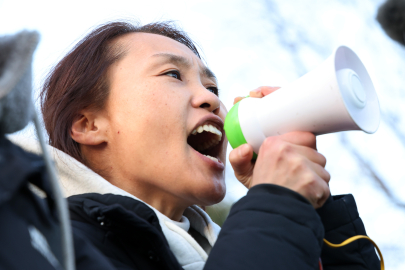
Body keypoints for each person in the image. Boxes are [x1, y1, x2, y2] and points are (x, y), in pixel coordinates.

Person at [29, 21, 380, 269]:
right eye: (172, 74)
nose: (210, 100)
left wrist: (315, 212)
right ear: (88, 125)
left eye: (213, 89)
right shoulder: (46, 247)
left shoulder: (228, 246)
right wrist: (275, 207)